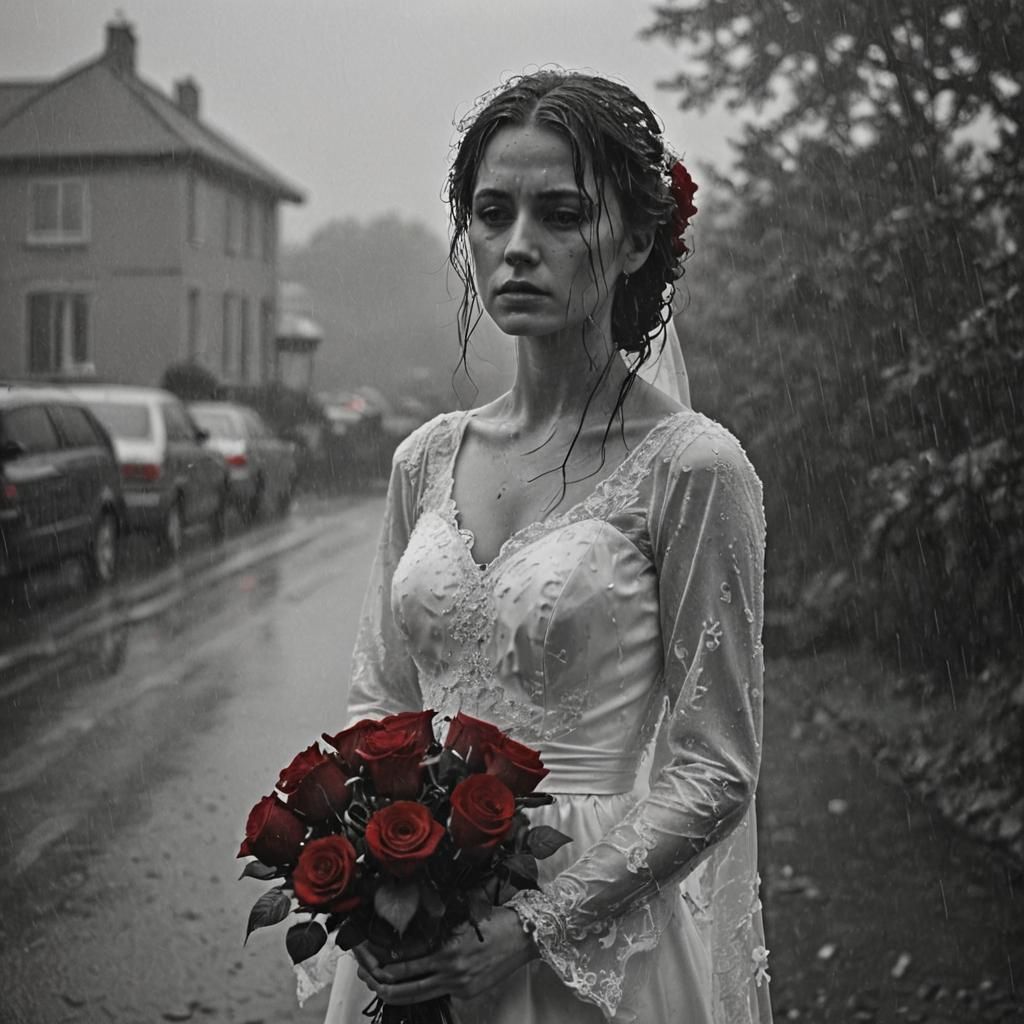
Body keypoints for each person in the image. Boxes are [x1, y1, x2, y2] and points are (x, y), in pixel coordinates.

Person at [321, 70, 771, 1024]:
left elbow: (715, 766)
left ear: (637, 238)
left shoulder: (692, 468)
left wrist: (535, 925)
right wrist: (372, 874)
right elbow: (382, 697)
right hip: (417, 929)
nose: (518, 246)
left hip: (600, 934)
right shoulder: (426, 458)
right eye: (493, 212)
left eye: (561, 214)